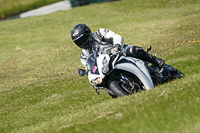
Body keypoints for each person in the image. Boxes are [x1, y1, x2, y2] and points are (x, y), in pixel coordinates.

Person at [71, 23, 165, 70]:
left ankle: (155, 60)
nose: (82, 43)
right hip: (107, 68)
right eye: (78, 42)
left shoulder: (100, 33)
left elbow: (117, 37)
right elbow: (90, 68)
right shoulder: (84, 56)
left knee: (136, 50)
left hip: (121, 53)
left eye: (82, 39)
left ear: (88, 34)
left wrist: (116, 46)